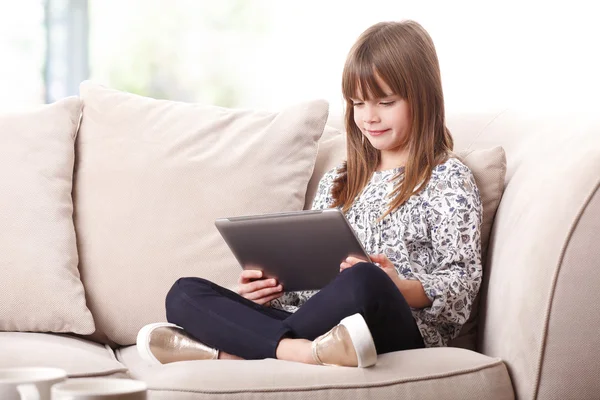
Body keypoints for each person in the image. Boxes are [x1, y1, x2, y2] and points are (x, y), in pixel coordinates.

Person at [136, 20, 483, 368]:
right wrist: (266, 294)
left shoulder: (448, 178)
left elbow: (462, 286)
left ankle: (236, 350)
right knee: (184, 292)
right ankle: (300, 351)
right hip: (316, 325)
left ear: (423, 97)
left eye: (385, 102)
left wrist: (399, 286)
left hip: (391, 326)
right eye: (358, 104)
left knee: (363, 279)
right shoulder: (339, 181)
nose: (369, 117)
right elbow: (305, 294)